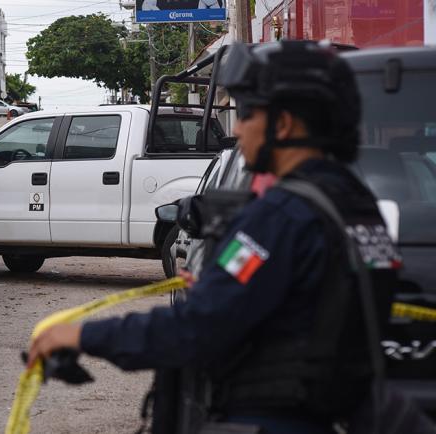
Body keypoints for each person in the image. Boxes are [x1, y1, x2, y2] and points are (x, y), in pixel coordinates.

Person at [27, 41, 400, 433]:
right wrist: (223, 285)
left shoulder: (281, 215)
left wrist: (82, 334)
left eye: (247, 114)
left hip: (271, 418)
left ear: (284, 123)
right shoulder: (357, 204)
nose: (237, 129)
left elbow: (195, 328)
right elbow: (310, 308)